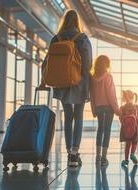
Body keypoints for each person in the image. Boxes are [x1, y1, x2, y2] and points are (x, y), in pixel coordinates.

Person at [40, 10, 92, 167]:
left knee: (68, 117)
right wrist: (83, 79)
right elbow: (88, 61)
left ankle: (69, 152)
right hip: (79, 82)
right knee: (79, 116)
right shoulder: (82, 38)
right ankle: (75, 153)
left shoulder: (57, 38)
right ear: (77, 22)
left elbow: (48, 60)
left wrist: (44, 79)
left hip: (61, 83)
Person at [90, 55, 121, 166]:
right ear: (106, 64)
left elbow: (92, 96)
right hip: (108, 108)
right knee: (107, 131)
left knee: (100, 130)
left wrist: (93, 110)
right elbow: (111, 95)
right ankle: (104, 158)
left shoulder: (92, 78)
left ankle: (97, 158)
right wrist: (117, 110)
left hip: (98, 108)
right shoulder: (108, 77)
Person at [120, 90, 138, 168]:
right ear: (133, 97)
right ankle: (132, 154)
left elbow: (120, 118)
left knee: (127, 144)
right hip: (135, 129)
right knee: (134, 142)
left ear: (124, 98)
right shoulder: (136, 107)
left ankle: (126, 160)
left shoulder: (122, 107)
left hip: (126, 130)